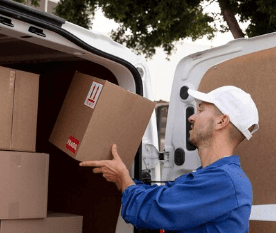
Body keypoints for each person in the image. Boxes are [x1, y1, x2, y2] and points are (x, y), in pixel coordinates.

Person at [80, 86, 259, 232]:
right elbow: (162, 198)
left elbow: (154, 210)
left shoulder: (224, 182)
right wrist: (121, 178)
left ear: (222, 121)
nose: (191, 117)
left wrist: (122, 176)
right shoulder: (212, 177)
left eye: (200, 109)